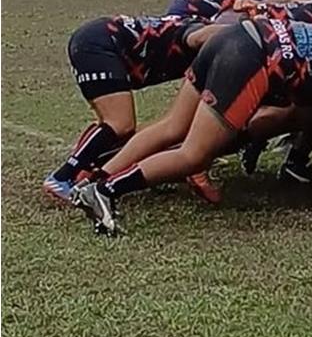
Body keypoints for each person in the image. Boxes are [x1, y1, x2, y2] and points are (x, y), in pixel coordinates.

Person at [70, 18, 312, 235]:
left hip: (232, 38)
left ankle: (93, 177)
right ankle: (107, 189)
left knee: (171, 126)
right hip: (249, 58)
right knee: (195, 154)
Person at [41, 14, 228, 204]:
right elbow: (198, 36)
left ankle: (87, 169)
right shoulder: (202, 33)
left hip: (101, 39)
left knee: (116, 127)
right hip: (100, 43)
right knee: (120, 123)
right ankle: (61, 177)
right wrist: (233, 32)